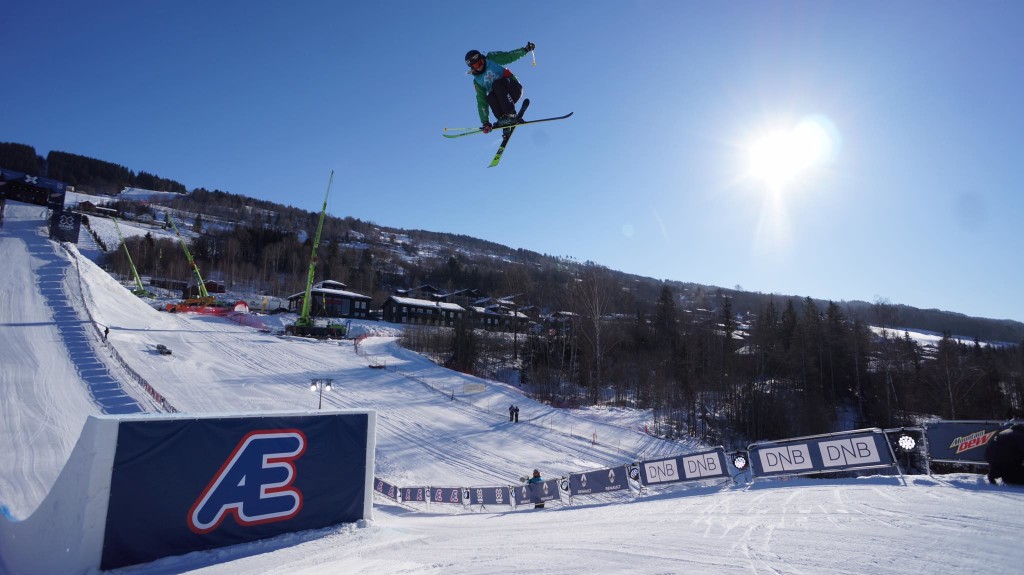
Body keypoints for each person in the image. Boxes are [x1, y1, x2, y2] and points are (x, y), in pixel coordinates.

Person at [465, 42, 535, 135]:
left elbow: (508, 56)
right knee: (489, 97)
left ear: (482, 58)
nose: (480, 65)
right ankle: (503, 120)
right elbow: (481, 101)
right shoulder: (477, 81)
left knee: (496, 84)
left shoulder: (491, 59)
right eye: (476, 65)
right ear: (472, 67)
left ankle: (510, 114)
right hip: (502, 100)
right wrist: (485, 122)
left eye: (480, 62)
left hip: (513, 88)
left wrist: (525, 50)